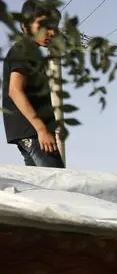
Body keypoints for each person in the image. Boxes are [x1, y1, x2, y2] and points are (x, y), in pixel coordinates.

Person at [3, 1, 63, 168]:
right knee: (57, 180)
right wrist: (42, 129)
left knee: (40, 183)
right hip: (34, 132)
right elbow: (15, 91)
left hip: (28, 133)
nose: (52, 32)